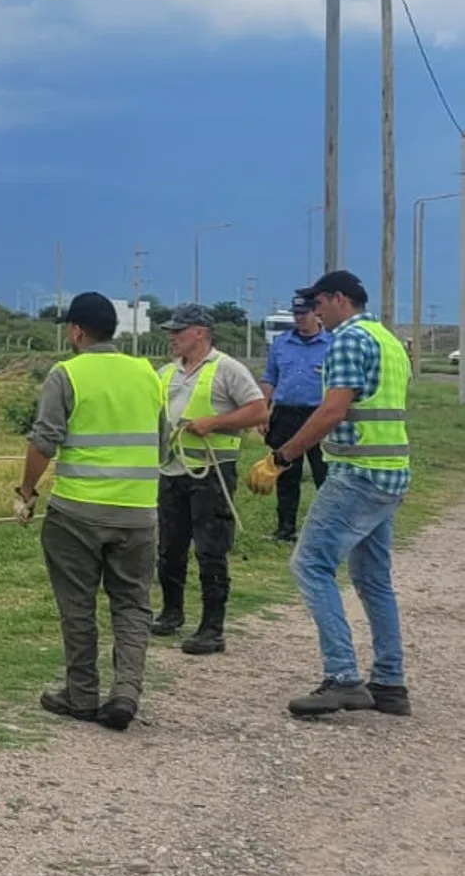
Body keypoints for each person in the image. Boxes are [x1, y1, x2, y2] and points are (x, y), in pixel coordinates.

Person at [262, 270, 412, 718]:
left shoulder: (346, 340)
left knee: (309, 564)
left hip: (358, 471)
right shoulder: (386, 338)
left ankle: (343, 677)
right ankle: (389, 682)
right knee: (372, 579)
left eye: (319, 303)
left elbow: (332, 410)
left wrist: (282, 456)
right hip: (391, 471)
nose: (314, 312)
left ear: (340, 299)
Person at [14, 291, 165, 732]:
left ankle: (81, 694)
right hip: (138, 512)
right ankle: (126, 692)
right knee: (133, 604)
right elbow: (163, 437)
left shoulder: (67, 374)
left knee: (77, 604)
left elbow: (44, 440)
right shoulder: (148, 374)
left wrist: (26, 491)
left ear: (76, 331)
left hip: (77, 512)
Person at [150, 303, 268, 656]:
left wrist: (213, 423)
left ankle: (212, 628)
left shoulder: (228, 369)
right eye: (170, 331)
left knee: (210, 549)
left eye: (178, 331)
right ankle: (171, 613)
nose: (172, 337)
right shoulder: (166, 373)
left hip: (212, 473)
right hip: (172, 471)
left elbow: (258, 410)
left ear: (200, 332)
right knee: (169, 547)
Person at [260, 290, 331, 543]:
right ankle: (285, 529)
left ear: (316, 314)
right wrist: (262, 410)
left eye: (304, 313)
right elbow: (270, 377)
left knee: (324, 474)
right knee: (286, 473)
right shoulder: (281, 343)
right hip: (285, 414)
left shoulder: (331, 343)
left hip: (318, 415)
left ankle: (324, 531)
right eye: (296, 314)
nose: (299, 318)